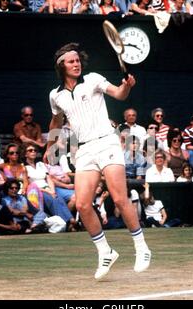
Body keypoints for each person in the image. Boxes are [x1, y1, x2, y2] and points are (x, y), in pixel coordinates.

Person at [46, 42, 151, 280]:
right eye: (71, 61)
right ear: (61, 65)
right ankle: (105, 251)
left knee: (119, 197)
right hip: (84, 150)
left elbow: (118, 94)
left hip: (107, 143)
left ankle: (141, 246)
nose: (76, 64)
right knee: (82, 204)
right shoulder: (56, 95)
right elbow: (55, 122)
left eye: (77, 60)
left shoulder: (93, 79)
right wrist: (50, 145)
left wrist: (127, 86)